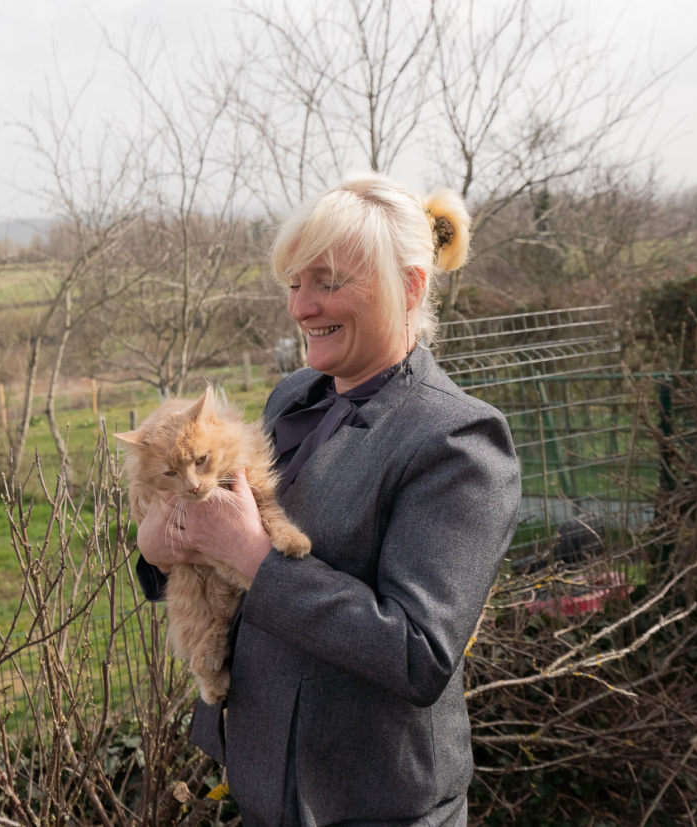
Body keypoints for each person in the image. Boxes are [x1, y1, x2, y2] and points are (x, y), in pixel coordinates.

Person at [134, 173, 523, 826]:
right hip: (269, 785)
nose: (302, 307)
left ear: (411, 286)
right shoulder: (296, 395)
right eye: (295, 283)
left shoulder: (457, 440)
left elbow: (417, 653)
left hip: (370, 804)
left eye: (329, 281)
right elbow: (222, 543)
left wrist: (255, 555)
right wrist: (160, 549)